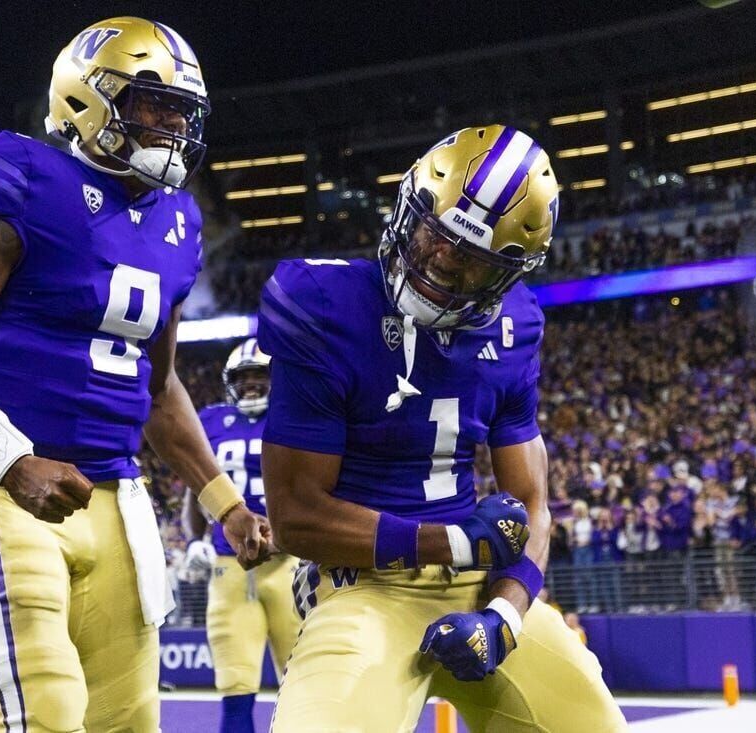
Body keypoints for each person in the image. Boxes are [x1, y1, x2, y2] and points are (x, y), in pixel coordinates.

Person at [0, 17, 271, 731]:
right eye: (153, 105)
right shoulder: (24, 178)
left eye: (181, 112)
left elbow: (157, 390)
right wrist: (11, 462)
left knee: (127, 719)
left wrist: (225, 503)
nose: (171, 126)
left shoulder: (180, 224)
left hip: (116, 497)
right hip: (5, 491)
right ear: (86, 99)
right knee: (44, 708)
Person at [258, 125, 627, 731]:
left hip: (478, 586)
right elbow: (296, 514)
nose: (439, 261)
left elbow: (533, 506)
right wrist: (452, 541)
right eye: (437, 233)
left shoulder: (515, 328)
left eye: (472, 260)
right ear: (410, 208)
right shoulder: (324, 303)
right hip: (362, 585)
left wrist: (504, 616)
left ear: (509, 273)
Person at [183, 339, 301, 733]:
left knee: (303, 682)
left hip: (290, 566)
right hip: (227, 566)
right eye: (242, 377)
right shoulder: (212, 420)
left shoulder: (298, 417)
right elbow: (193, 488)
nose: (251, 384)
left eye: (259, 375)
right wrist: (195, 540)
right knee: (235, 684)